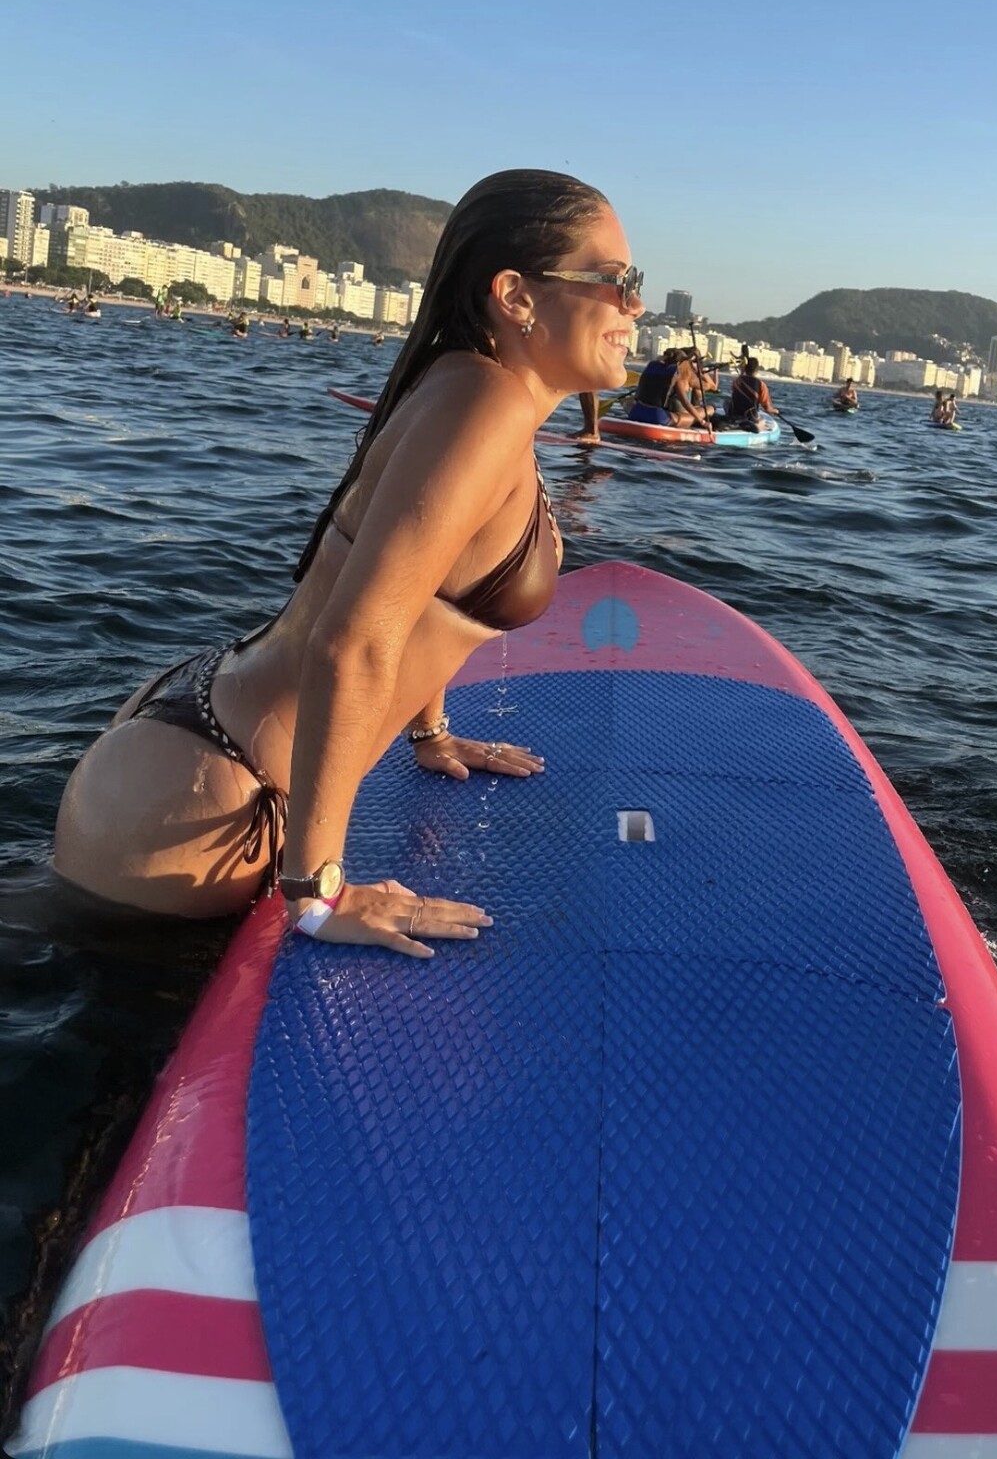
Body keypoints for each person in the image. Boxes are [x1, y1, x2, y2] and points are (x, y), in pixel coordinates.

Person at [52, 170, 643, 953]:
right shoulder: (487, 406)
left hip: (209, 736)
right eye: (618, 281)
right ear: (516, 295)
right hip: (217, 798)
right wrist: (318, 893)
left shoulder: (471, 390)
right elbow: (355, 639)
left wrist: (429, 732)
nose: (636, 306)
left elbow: (428, 591)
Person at [726, 356, 776, 430]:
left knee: (726, 402)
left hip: (734, 414)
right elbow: (767, 409)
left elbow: (735, 390)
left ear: (745, 369)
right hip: (750, 417)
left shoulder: (737, 381)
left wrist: (742, 371)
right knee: (763, 422)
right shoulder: (761, 385)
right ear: (757, 370)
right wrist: (775, 411)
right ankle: (755, 426)